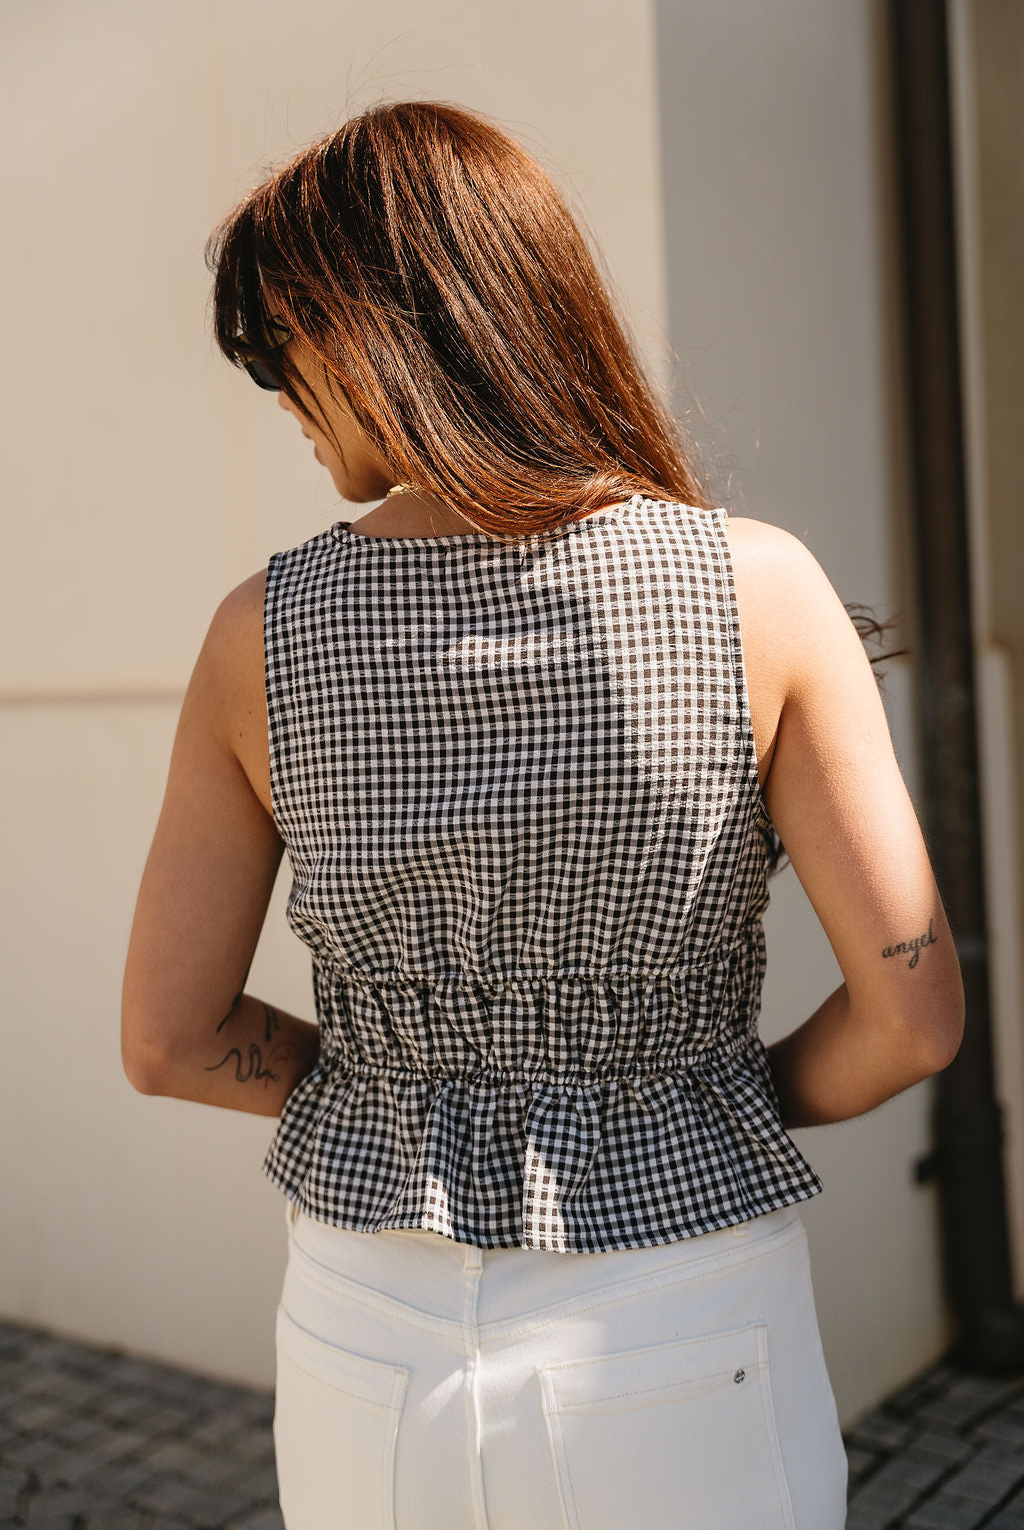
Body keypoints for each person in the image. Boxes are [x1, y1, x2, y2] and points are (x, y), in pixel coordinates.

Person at [121, 100, 965, 1529]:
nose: (272, 388)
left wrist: (409, 1102)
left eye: (280, 344)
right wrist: (688, 1107)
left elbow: (168, 1039)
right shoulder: (753, 590)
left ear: (389, 327)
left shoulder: (258, 633)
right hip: (682, 1307)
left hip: (362, 1324)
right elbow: (911, 1016)